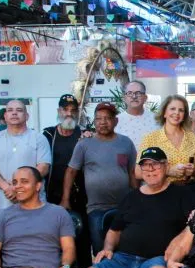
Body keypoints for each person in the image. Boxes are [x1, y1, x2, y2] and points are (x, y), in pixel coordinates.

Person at [62, 103, 138, 255]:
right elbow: (71, 172)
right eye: (99, 119)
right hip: (96, 208)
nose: (103, 122)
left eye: (108, 118)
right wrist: (65, 199)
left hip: (123, 206)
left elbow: (132, 172)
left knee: (124, 249)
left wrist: (138, 198)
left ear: (115, 121)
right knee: (99, 249)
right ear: (94, 121)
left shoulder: (126, 142)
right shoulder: (84, 144)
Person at [0, 100, 51, 210]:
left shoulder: (39, 138)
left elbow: (43, 167)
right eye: (10, 110)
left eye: (19, 110)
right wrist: (7, 187)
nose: (14, 113)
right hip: (5, 202)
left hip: (35, 204)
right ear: (5, 116)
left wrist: (19, 188)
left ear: (27, 116)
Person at [137, 94, 195, 185]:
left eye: (181, 110)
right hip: (161, 192)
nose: (177, 113)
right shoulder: (150, 139)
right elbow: (138, 173)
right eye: (172, 109)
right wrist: (167, 171)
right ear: (164, 113)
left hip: (189, 191)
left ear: (185, 115)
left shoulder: (194, 139)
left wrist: (193, 171)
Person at [43, 94, 86, 209]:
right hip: (51, 193)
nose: (69, 114)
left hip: (79, 194)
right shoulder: (48, 135)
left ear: (77, 112)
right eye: (65, 109)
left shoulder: (84, 135)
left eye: (73, 110)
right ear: (59, 111)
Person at [115, 81, 157, 148]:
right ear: (124, 98)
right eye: (129, 93)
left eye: (138, 93)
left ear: (145, 98)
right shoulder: (115, 121)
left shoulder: (156, 120)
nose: (134, 96)